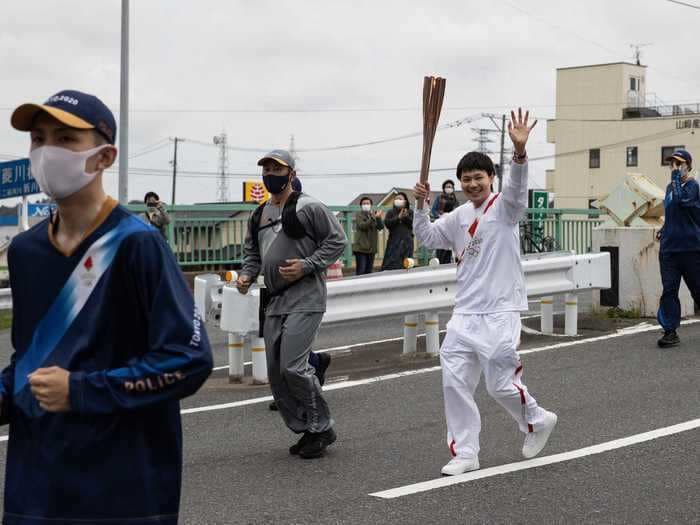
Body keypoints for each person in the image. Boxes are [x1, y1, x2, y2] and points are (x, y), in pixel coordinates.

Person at [3, 90, 213, 524]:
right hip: (35, 489)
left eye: (65, 139)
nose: (47, 152)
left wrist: (82, 390)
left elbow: (189, 359)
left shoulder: (139, 244)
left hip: (124, 488)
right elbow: (32, 363)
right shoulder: (25, 251)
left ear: (104, 156)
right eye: (38, 139)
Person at [413, 108, 557, 476]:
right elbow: (428, 237)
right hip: (465, 313)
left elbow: (518, 186)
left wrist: (520, 152)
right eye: (466, 179)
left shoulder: (505, 208)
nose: (472, 184)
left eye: (478, 177)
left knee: (499, 386)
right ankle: (465, 453)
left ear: (491, 178)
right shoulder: (459, 216)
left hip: (500, 310)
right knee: (454, 382)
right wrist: (419, 206)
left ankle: (537, 419)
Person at [236, 149, 346, 459]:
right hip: (275, 299)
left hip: (306, 296)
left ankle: (322, 427)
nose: (271, 173)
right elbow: (252, 255)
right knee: (276, 371)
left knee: (293, 367)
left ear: (291, 174)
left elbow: (337, 241)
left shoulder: (309, 207)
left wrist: (308, 264)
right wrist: (246, 276)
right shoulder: (258, 214)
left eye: (277, 168)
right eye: (267, 169)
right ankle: (307, 428)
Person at [655, 148, 700, 348]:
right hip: (669, 250)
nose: (674, 166)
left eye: (678, 163)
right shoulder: (669, 188)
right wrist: (664, 229)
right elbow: (672, 212)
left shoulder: (692, 186)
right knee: (669, 291)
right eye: (672, 163)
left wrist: (676, 177)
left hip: (691, 249)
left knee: (698, 290)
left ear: (688, 165)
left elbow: (684, 203)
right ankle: (670, 331)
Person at [381, 191, 414, 270]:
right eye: (396, 199)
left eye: (400, 199)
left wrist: (406, 217)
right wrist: (398, 217)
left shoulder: (410, 212)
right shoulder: (390, 212)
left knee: (407, 264)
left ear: (405, 201)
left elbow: (413, 224)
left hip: (407, 242)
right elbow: (388, 224)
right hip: (394, 242)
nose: (398, 200)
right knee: (392, 264)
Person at [352, 197, 384, 275]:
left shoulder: (373, 214)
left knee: (369, 271)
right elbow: (362, 226)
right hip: (361, 248)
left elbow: (380, 227)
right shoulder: (358, 214)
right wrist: (373, 218)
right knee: (361, 270)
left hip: (371, 248)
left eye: (368, 203)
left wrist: (378, 218)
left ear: (371, 205)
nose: (366, 205)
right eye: (364, 203)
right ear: (361, 206)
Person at [430, 179, 458, 264]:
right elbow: (433, 210)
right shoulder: (439, 198)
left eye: (450, 187)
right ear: (443, 188)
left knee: (450, 247)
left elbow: (458, 211)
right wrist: (439, 216)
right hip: (441, 224)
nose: (449, 188)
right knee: (441, 247)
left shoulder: (455, 200)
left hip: (451, 224)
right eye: (447, 187)